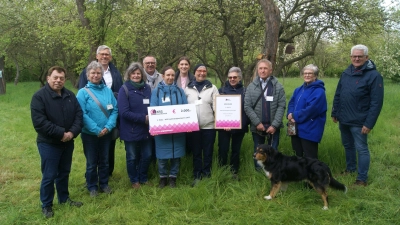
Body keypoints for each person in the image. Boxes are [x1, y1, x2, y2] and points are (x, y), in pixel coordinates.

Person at [31, 66, 83, 218]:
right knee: (49, 174)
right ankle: (46, 205)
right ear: (48, 78)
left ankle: (64, 199)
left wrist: (72, 133)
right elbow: (40, 122)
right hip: (49, 143)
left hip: (68, 142)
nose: (58, 81)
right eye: (55, 77)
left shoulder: (70, 95)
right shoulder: (39, 97)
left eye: (61, 78)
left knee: (64, 172)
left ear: (65, 80)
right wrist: (61, 133)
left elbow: (79, 116)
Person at [332, 44, 384, 187]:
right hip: (344, 118)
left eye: (359, 56)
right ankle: (350, 169)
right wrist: (335, 112)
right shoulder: (346, 72)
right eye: (354, 56)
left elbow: (376, 102)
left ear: (366, 57)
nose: (356, 59)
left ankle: (362, 179)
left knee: (361, 148)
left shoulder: (374, 76)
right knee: (348, 145)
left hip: (360, 121)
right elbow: (338, 93)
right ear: (350, 57)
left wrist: (369, 123)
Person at [78, 45, 123, 177]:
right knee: (92, 154)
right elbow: (83, 95)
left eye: (107, 54)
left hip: (110, 118)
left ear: (110, 57)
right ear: (97, 56)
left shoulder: (115, 72)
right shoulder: (86, 72)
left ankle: (107, 174)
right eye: (102, 54)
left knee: (109, 148)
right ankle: (92, 177)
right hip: (92, 120)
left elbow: (119, 93)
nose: (104, 56)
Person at [77, 61, 118, 197]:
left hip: (106, 133)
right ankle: (92, 186)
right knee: (91, 161)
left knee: (105, 160)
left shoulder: (107, 91)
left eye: (98, 73)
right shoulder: (82, 93)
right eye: (93, 73)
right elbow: (81, 113)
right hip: (90, 134)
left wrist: (108, 127)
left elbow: (115, 110)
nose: (96, 75)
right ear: (88, 75)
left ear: (102, 75)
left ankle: (104, 184)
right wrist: (96, 129)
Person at [244, 59, 286, 170]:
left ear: (270, 70)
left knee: (273, 151)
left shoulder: (278, 87)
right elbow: (247, 106)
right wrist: (257, 123)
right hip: (257, 127)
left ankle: (273, 173)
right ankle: (258, 172)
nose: (263, 71)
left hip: (273, 127)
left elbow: (281, 106)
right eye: (260, 68)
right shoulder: (251, 87)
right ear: (257, 70)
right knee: (258, 151)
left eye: (265, 68)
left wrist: (275, 125)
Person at [150, 66, 188, 188]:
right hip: (162, 130)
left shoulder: (180, 91)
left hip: (178, 131)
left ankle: (173, 177)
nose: (170, 77)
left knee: (176, 156)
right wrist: (153, 127)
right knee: (162, 156)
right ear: (163, 76)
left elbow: (185, 108)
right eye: (168, 75)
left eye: (172, 75)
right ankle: (162, 178)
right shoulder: (157, 91)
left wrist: (188, 123)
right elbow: (153, 109)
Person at [118, 62, 153, 189]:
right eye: (133, 73)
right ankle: (134, 180)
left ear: (142, 75)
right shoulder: (124, 89)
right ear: (129, 74)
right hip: (130, 130)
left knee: (147, 155)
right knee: (132, 157)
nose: (136, 75)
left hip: (146, 129)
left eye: (138, 73)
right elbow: (124, 112)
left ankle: (143, 178)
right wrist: (143, 118)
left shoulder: (147, 88)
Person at [185, 64, 219, 186]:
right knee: (196, 152)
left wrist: (221, 121)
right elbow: (184, 107)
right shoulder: (187, 89)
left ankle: (207, 174)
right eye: (199, 71)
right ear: (194, 73)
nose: (202, 73)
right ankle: (197, 175)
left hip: (209, 126)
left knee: (208, 152)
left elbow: (217, 106)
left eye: (204, 71)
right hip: (193, 128)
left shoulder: (212, 88)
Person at [287, 64, 327, 159]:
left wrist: (294, 116)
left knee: (310, 157)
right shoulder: (298, 89)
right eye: (305, 73)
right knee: (297, 154)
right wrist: (289, 114)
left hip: (310, 127)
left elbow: (312, 110)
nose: (307, 75)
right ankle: (300, 174)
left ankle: (313, 174)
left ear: (315, 75)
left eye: (310, 73)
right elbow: (291, 102)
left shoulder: (319, 91)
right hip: (294, 126)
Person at [217, 67, 249, 180]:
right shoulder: (221, 91)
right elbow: (217, 110)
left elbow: (247, 110)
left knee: (236, 150)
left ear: (239, 78)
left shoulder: (245, 91)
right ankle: (221, 170)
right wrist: (223, 124)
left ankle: (234, 172)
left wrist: (240, 124)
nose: (232, 79)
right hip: (223, 128)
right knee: (223, 150)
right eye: (230, 77)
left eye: (234, 77)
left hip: (239, 128)